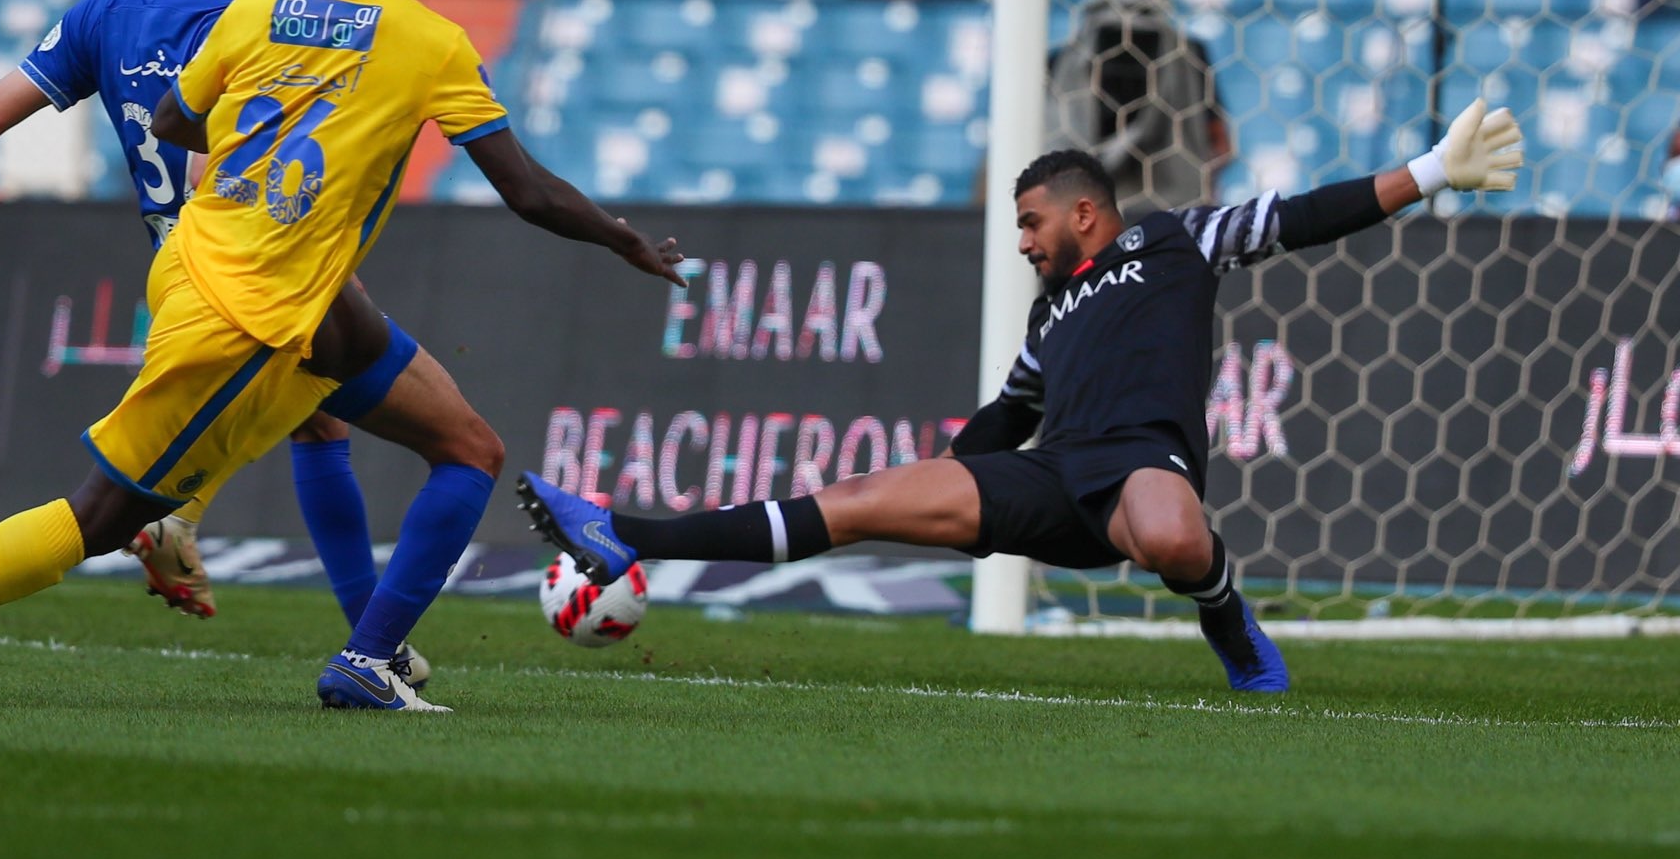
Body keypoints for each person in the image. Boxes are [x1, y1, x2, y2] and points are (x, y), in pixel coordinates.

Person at [0, 0, 687, 713]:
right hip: (243, 308)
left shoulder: (256, 8)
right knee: (99, 515)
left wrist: (261, 147)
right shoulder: (431, 41)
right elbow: (527, 191)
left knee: (467, 446)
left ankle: (365, 655)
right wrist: (623, 238)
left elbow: (175, 119)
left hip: (231, 265)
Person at [520, 101, 1526, 694]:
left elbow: (1303, 215)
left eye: (1032, 220)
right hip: (1049, 475)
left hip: (1141, 463)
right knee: (860, 499)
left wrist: (1432, 168)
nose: (1022, 239)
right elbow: (1004, 419)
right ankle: (622, 531)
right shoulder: (1048, 320)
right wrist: (951, 468)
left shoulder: (1175, 242)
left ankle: (1224, 618)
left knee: (1173, 536)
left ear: (1086, 211)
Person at [1044, 0, 1227, 211]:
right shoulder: (1191, 56)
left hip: (1082, 216)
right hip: (1172, 217)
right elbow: (1221, 147)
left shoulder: (1060, 60)